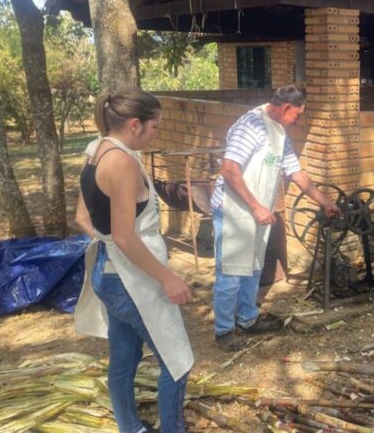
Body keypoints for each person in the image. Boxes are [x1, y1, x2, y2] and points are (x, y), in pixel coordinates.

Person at [74, 88, 194, 433]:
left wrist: (108, 244)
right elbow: (125, 236)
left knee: (124, 359)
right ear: (135, 124)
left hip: (107, 272)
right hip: (131, 281)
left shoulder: (97, 151)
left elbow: (83, 216)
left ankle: (132, 428)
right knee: (177, 361)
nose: (156, 133)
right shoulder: (123, 163)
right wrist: (168, 278)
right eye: (155, 127)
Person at [211, 85, 340, 351]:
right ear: (285, 109)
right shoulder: (251, 126)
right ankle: (224, 330)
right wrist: (257, 207)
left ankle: (247, 319)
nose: (299, 120)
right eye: (298, 114)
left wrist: (325, 201)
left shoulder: (280, 134)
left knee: (253, 266)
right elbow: (229, 169)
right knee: (231, 271)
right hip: (234, 210)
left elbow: (297, 174)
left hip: (259, 213)